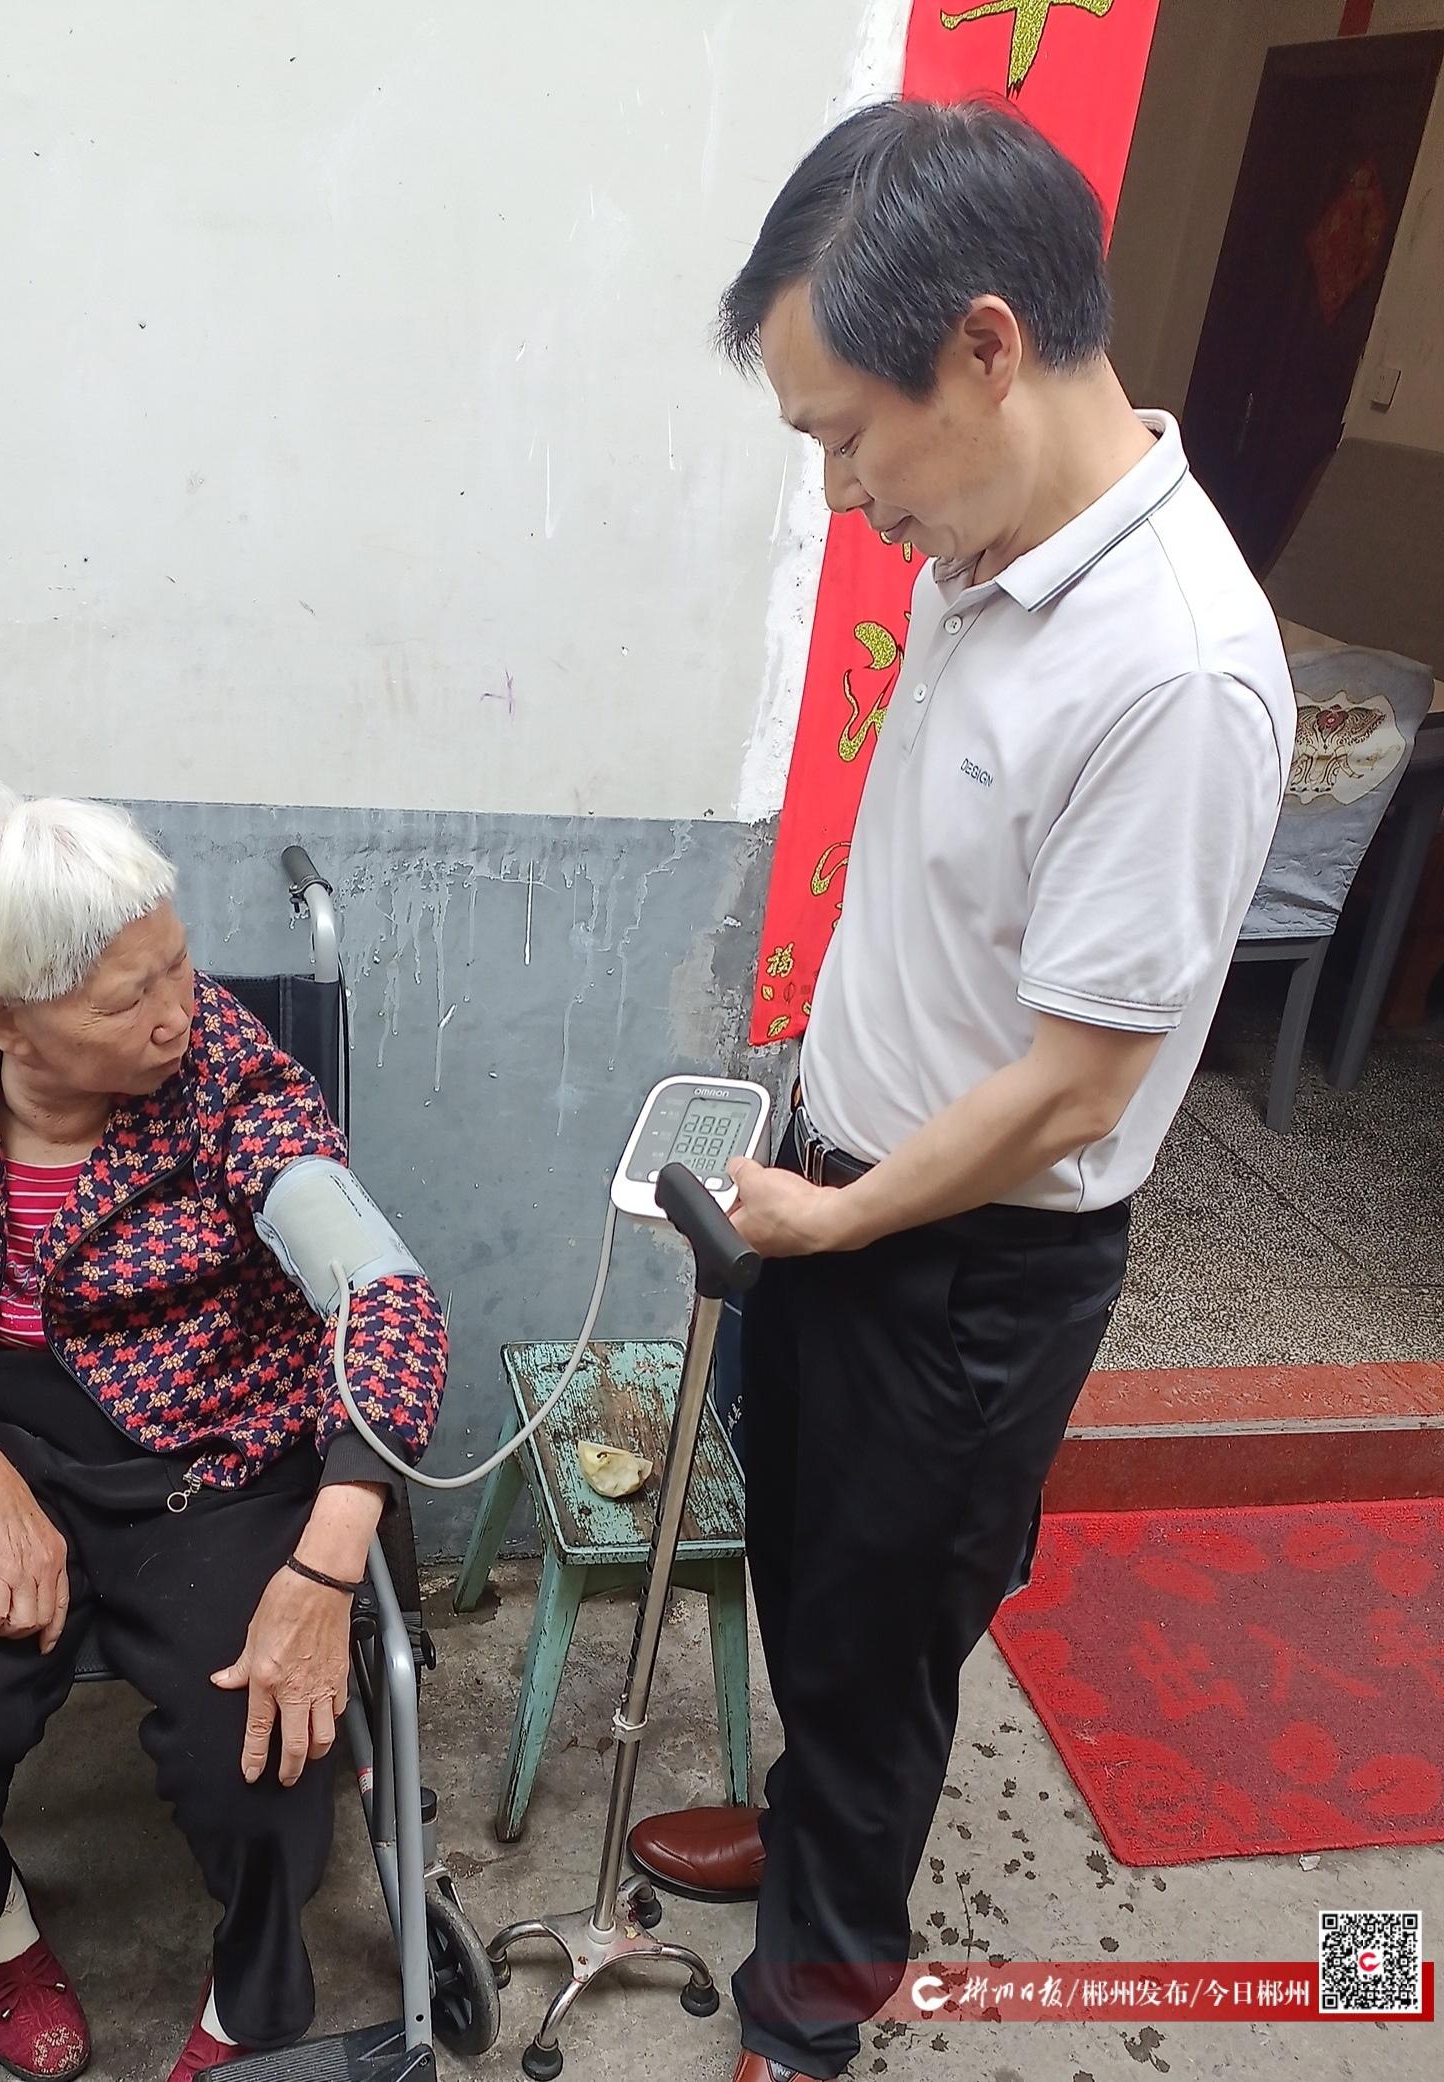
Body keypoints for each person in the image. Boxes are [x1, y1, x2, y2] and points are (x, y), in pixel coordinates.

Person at [626, 100, 1292, 2081]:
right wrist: (810, 1140)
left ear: (987, 348)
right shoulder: (982, 543)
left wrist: (842, 1216)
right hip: (844, 1179)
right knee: (816, 1581)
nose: (843, 495)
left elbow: (1079, 1085)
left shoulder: (1177, 673)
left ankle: (813, 2004)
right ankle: (811, 1832)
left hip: (963, 1265)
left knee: (889, 1633)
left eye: (847, 437)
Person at [0, 786, 446, 2082]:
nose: (178, 1010)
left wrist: (331, 1555)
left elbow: (383, 1295)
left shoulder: (230, 1074)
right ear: (2, 1017)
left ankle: (251, 2004)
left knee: (266, 1756)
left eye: (178, 961)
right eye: (126, 1000)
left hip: (210, 1445)